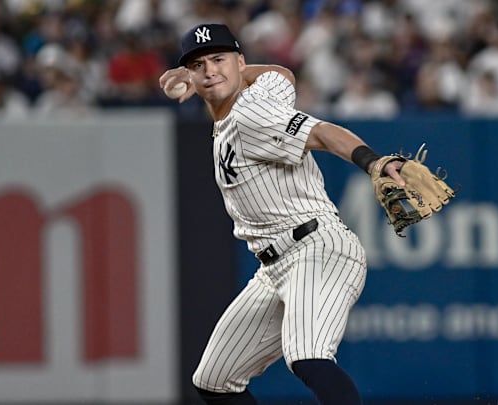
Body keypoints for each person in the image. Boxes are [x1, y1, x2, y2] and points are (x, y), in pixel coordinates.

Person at [159, 23, 406, 405]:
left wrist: (371, 162)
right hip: (274, 269)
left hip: (316, 248)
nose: (210, 71)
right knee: (214, 379)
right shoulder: (264, 90)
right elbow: (281, 74)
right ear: (190, 75)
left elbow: (322, 133)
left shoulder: (250, 117)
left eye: (219, 60)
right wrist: (228, 74)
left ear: (241, 61)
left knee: (308, 356)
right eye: (199, 65)